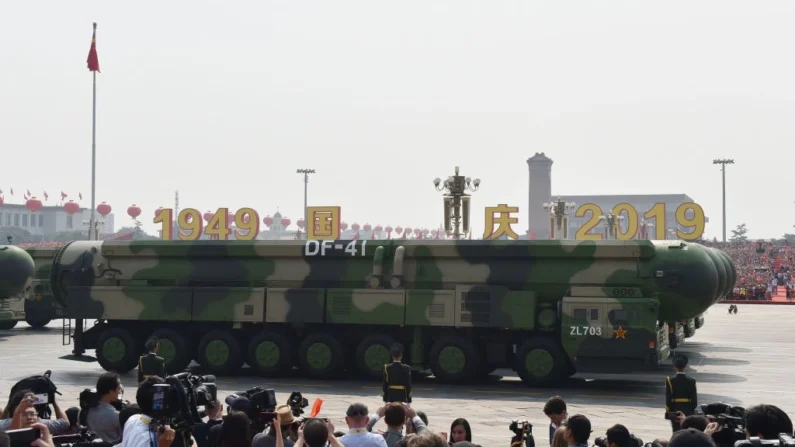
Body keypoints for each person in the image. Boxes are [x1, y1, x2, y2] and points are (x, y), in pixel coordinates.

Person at [85, 372, 124, 444]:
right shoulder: (116, 415)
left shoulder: (84, 411)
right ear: (111, 391)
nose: (119, 392)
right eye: (118, 388)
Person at [665, 353, 698, 433]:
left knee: (676, 431)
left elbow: (668, 399)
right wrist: (691, 411)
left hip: (675, 410)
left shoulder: (670, 380)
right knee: (687, 431)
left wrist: (669, 411)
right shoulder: (692, 381)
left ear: (674, 367)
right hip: (688, 410)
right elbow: (694, 400)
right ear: (685, 367)